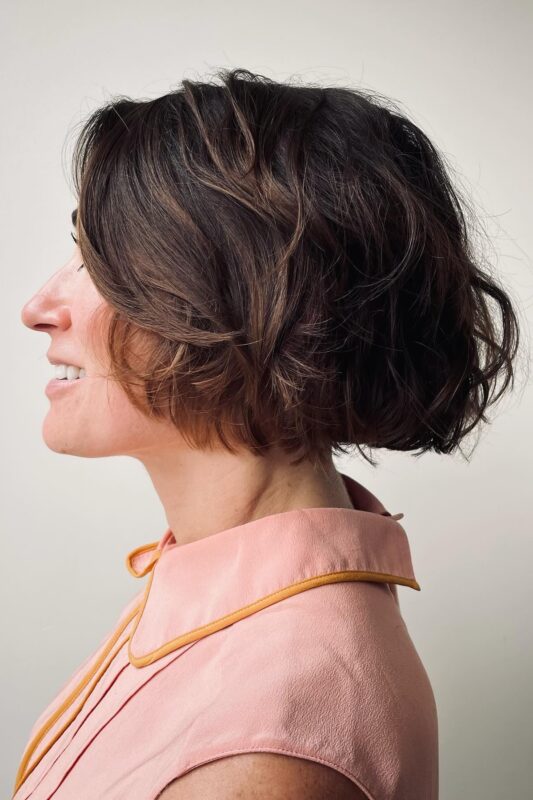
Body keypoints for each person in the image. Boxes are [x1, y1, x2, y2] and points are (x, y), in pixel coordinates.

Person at [15, 67, 520, 799]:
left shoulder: (265, 744)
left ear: (247, 299)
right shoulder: (224, 604)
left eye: (102, 260)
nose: (37, 307)